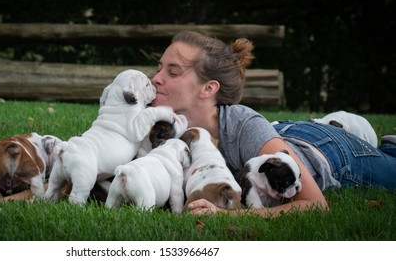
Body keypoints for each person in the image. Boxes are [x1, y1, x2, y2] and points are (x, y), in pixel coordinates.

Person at [150, 30, 396, 217]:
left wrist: (232, 216)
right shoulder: (159, 124)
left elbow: (315, 205)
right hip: (279, 133)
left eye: (173, 72)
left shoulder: (241, 125)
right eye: (159, 68)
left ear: (209, 88)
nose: (156, 79)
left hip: (329, 153)